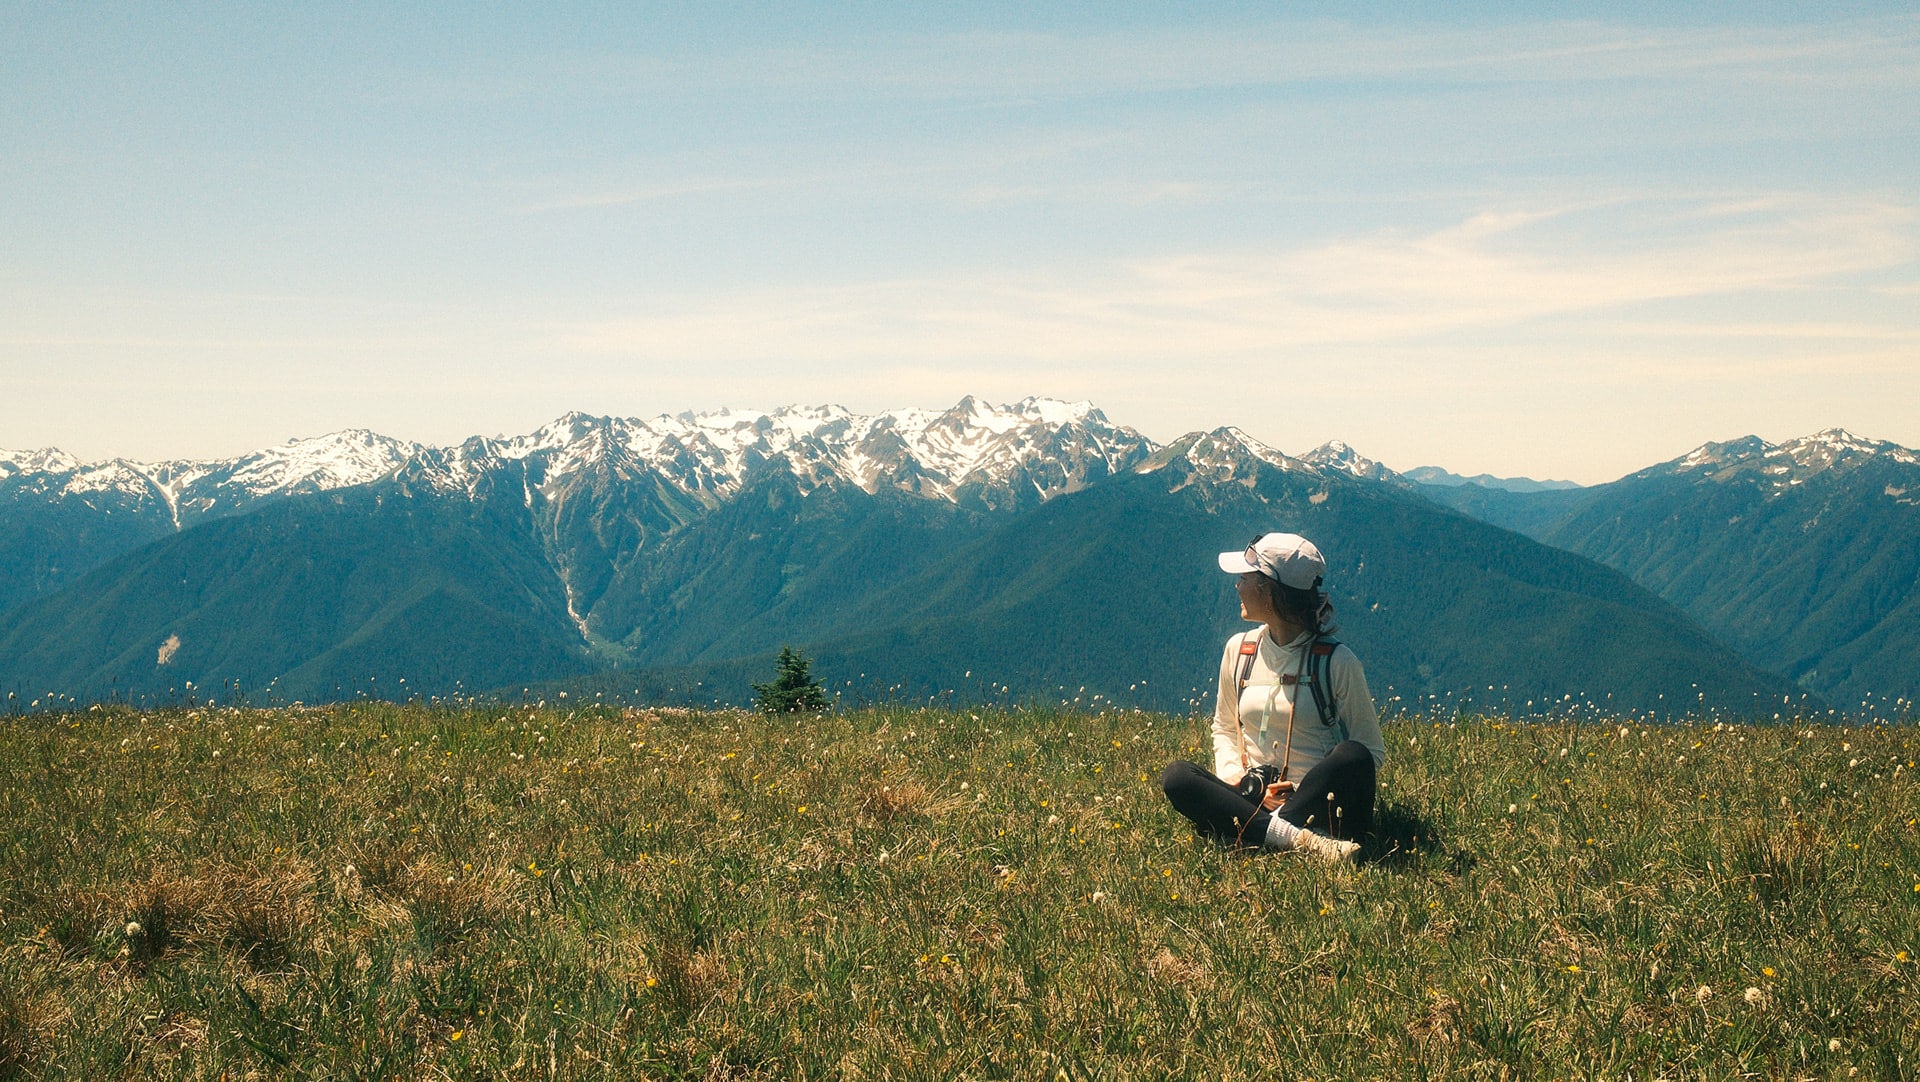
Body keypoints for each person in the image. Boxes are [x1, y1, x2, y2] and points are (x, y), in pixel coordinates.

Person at [1160, 532, 1385, 861]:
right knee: (1178, 777)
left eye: (1244, 579)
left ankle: (1255, 832)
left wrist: (1299, 793)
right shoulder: (1239, 651)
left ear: (1270, 591)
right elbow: (1223, 727)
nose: (1237, 587)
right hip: (1252, 794)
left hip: (1320, 801)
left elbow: (1371, 752)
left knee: (1354, 755)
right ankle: (1300, 840)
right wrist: (1235, 780)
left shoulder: (1337, 661)